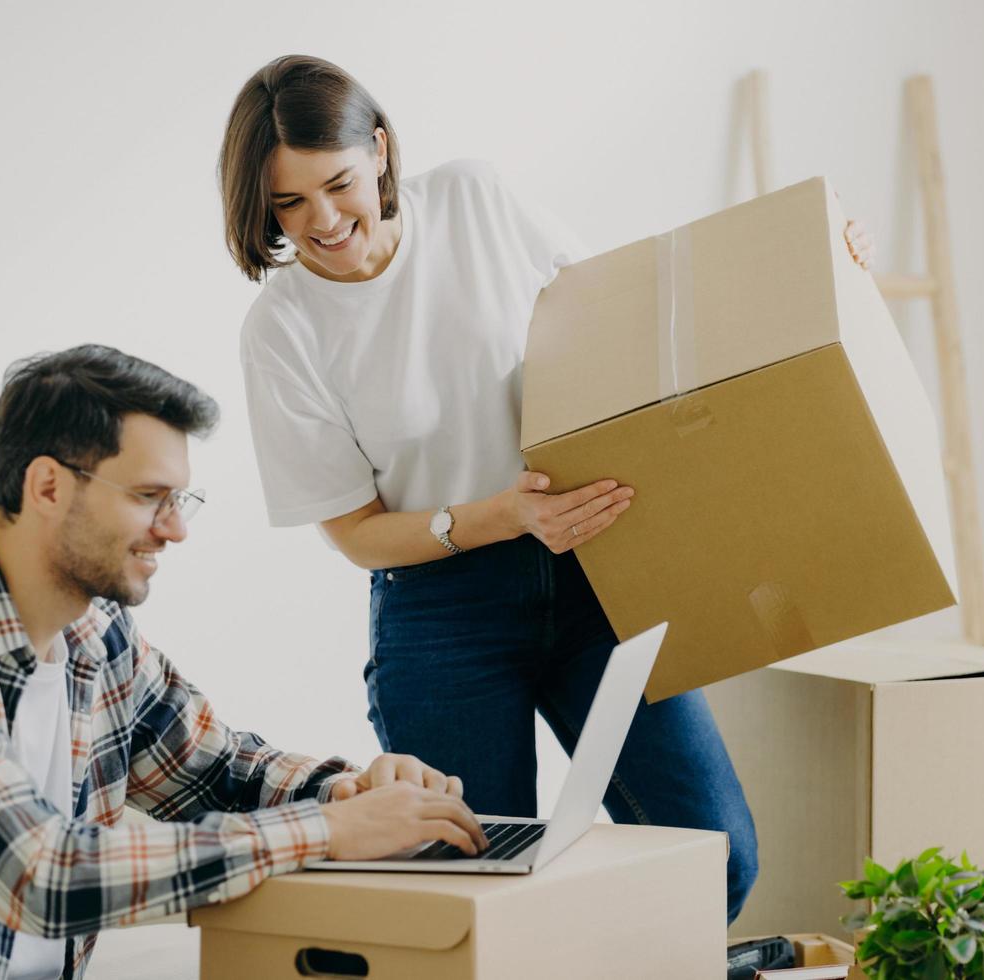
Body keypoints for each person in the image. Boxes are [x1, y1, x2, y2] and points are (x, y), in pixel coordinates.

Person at [220, 54, 875, 924]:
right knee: (479, 892)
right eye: (289, 204)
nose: (325, 222)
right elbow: (358, 534)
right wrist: (502, 514)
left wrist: (816, 264)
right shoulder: (283, 329)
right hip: (442, 613)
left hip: (596, 575)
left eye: (337, 184)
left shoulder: (473, 202)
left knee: (714, 858)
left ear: (378, 150)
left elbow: (630, 311)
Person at [0, 344, 487, 979]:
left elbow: (216, 769)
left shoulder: (94, 632)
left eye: (179, 500)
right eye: (150, 497)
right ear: (47, 487)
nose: (177, 529)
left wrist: (352, 791)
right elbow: (37, 875)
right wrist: (329, 831)